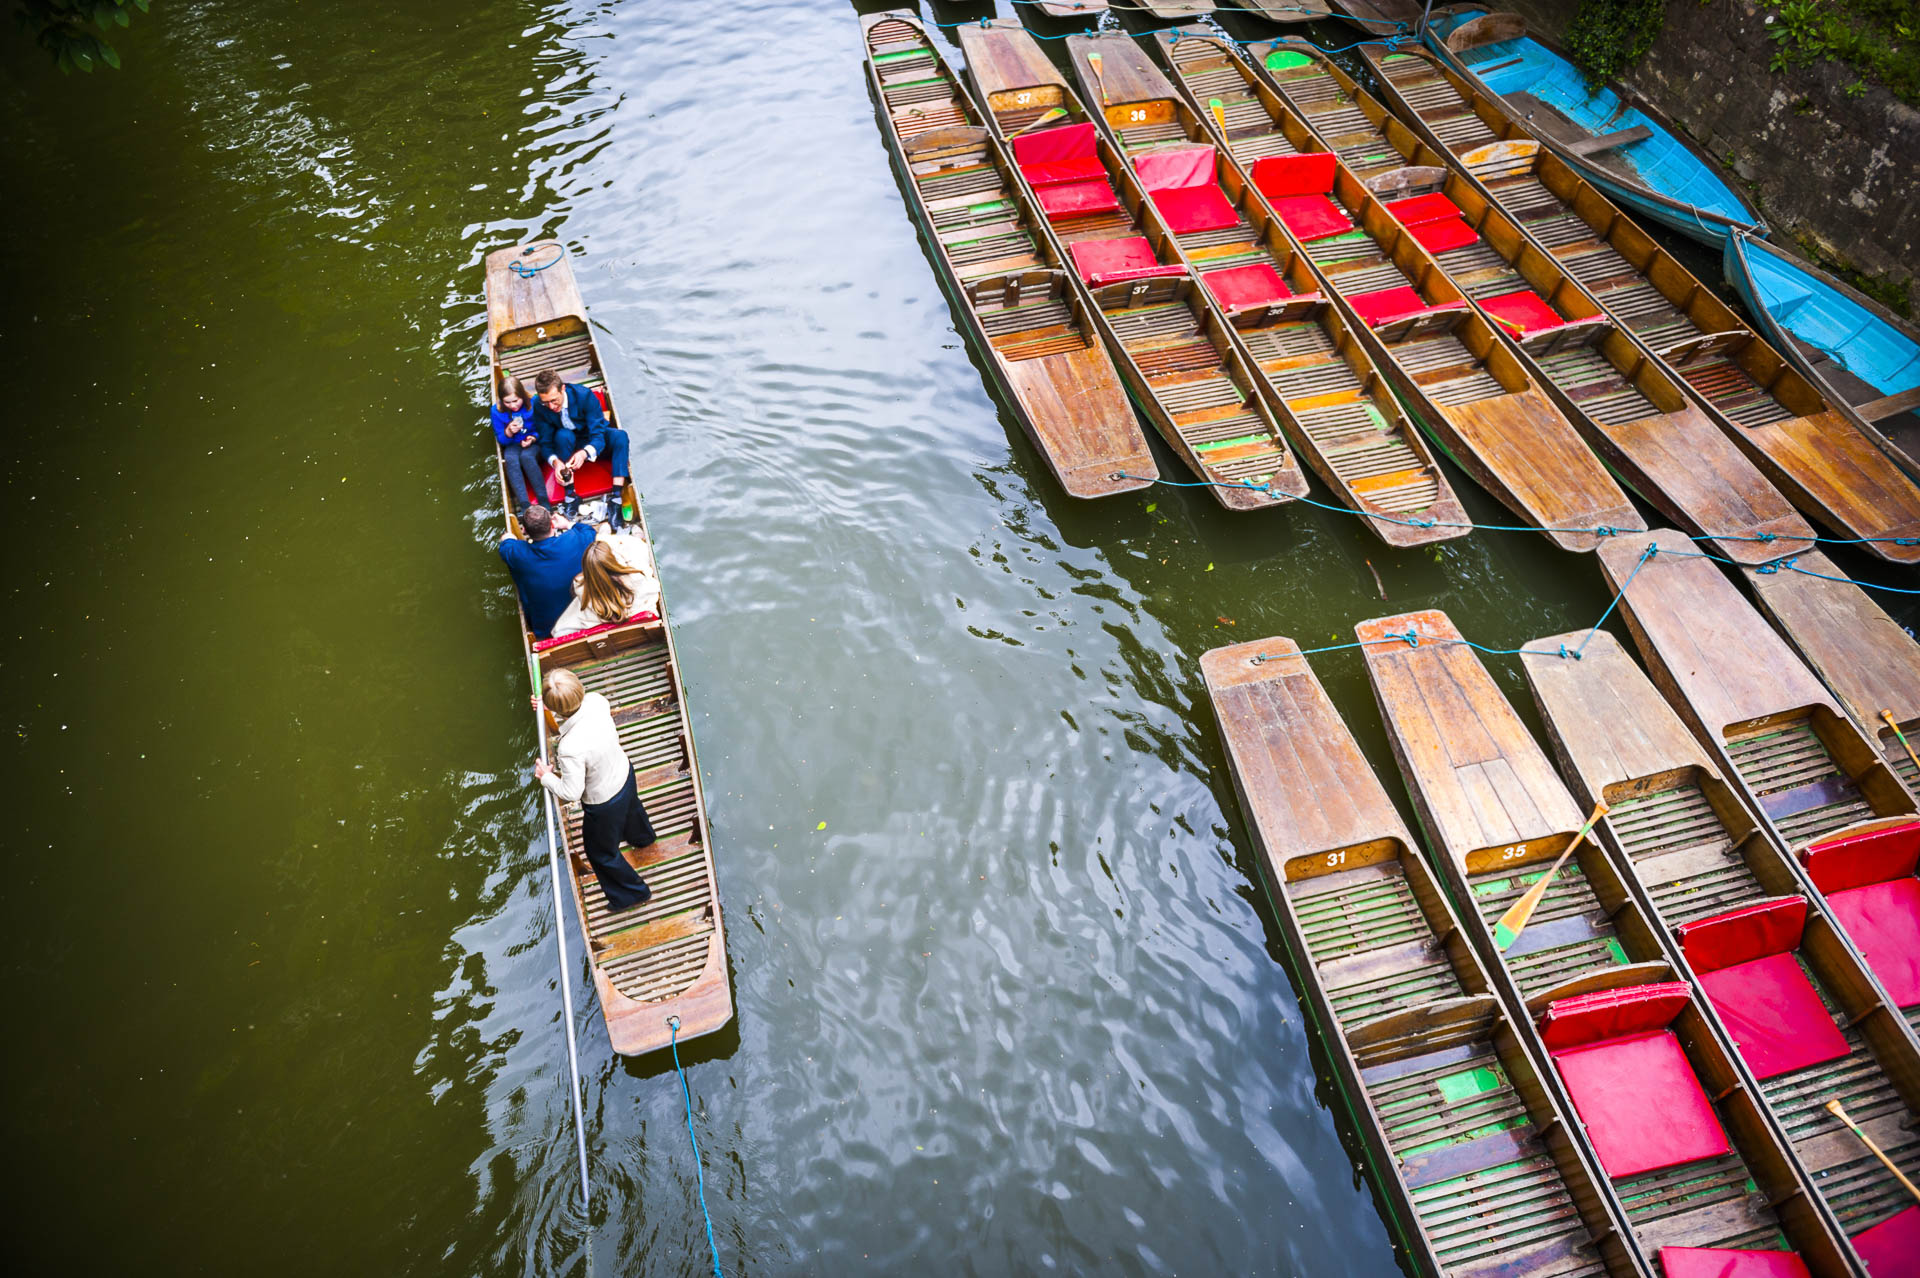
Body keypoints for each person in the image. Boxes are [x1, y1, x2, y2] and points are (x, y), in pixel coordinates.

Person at [534, 668, 655, 911]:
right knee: (633, 813)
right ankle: (643, 838)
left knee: (600, 853)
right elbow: (578, 713)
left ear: (555, 708)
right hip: (624, 774)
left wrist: (546, 777)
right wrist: (550, 707)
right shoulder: (597, 701)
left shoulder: (569, 748)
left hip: (604, 802)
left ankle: (632, 894)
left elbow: (571, 792)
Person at [497, 504, 596, 640]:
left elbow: (505, 545)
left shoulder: (518, 553)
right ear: (552, 525)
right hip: (585, 616)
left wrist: (508, 537)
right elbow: (589, 531)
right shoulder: (574, 539)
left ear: (524, 530)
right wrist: (567, 524)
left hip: (546, 630)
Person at [530, 368, 631, 498]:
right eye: (546, 402)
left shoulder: (585, 396)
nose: (551, 407)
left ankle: (616, 495)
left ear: (563, 389)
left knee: (620, 436)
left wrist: (585, 453)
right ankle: (570, 493)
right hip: (566, 446)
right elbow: (545, 442)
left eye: (554, 400)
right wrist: (556, 462)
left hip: (591, 440)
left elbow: (598, 435)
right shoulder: (539, 406)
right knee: (563, 435)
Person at [550, 530, 662, 639]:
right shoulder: (637, 578)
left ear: (586, 570)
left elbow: (559, 632)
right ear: (612, 561)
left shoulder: (583, 591)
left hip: (608, 635)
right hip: (640, 631)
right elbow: (640, 549)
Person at [493, 375, 550, 509]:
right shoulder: (496, 411)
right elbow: (501, 440)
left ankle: (544, 501)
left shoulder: (534, 403)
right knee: (510, 458)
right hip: (514, 444)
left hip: (534, 443)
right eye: (507, 402)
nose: (513, 405)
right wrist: (508, 431)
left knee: (527, 457)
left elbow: (545, 429)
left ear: (522, 396)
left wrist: (533, 438)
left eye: (516, 400)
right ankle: (524, 504)